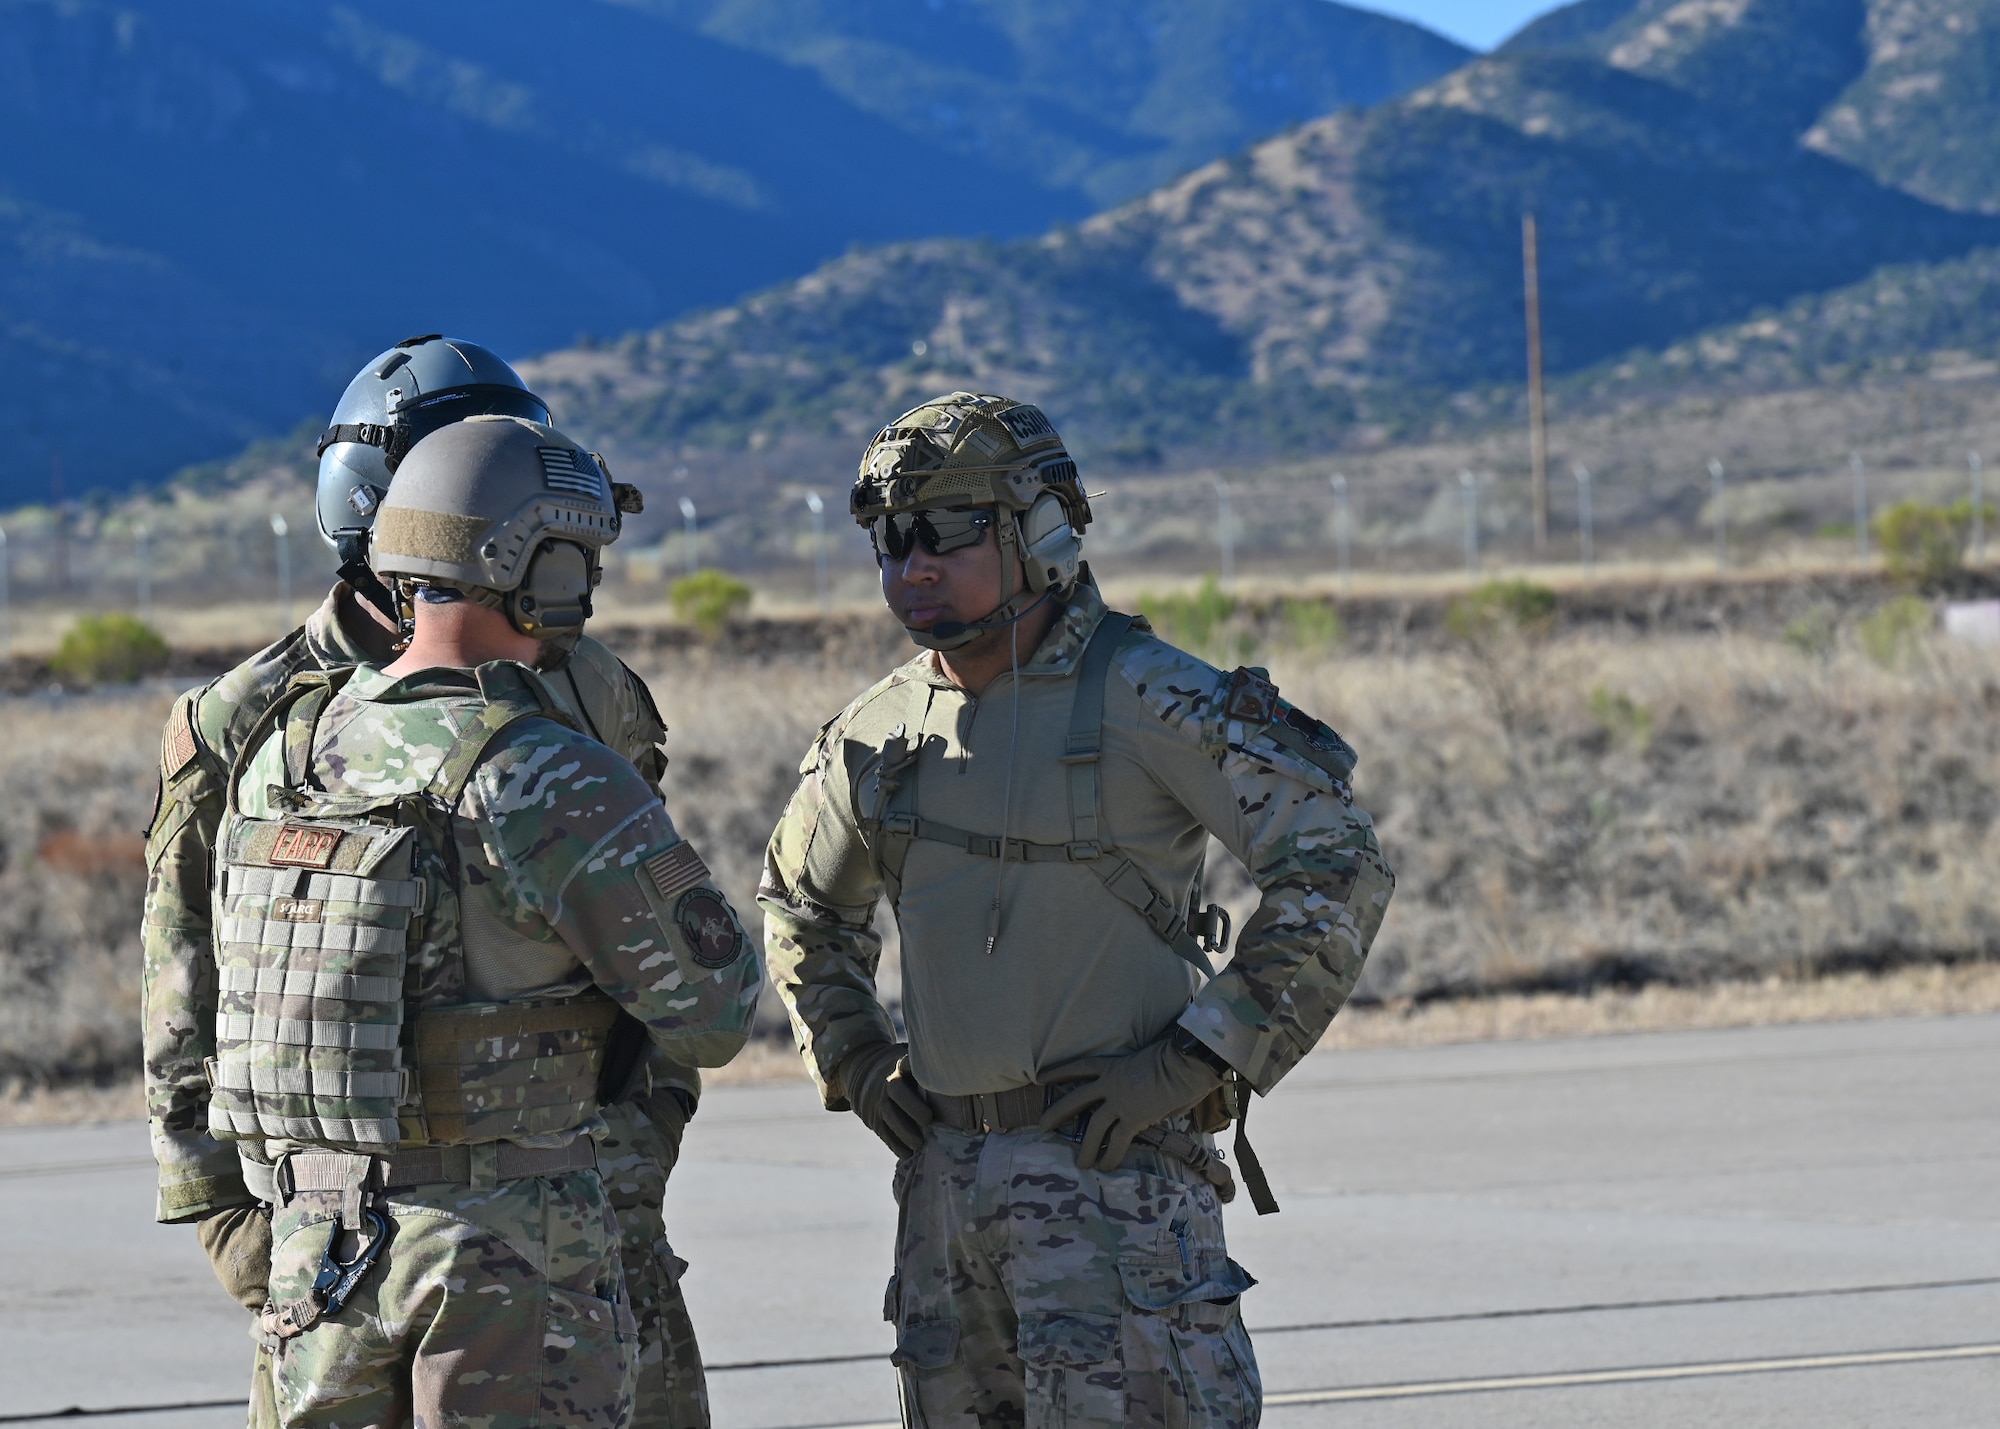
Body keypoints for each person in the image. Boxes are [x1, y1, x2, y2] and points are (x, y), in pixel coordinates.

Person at [759, 392, 1394, 1426]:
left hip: (1119, 1201)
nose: (910, 567)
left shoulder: (1146, 696)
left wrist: (1200, 1058)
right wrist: (855, 1061)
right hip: (947, 1215)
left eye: (947, 535)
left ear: (1039, 532)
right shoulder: (877, 733)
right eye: (889, 540)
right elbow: (798, 905)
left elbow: (1336, 860)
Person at [142, 337, 716, 1427]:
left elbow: (657, 954)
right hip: (338, 1231)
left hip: (579, 1200)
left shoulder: (584, 686)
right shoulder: (254, 719)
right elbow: (184, 991)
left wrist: (640, 1149)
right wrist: (238, 1228)